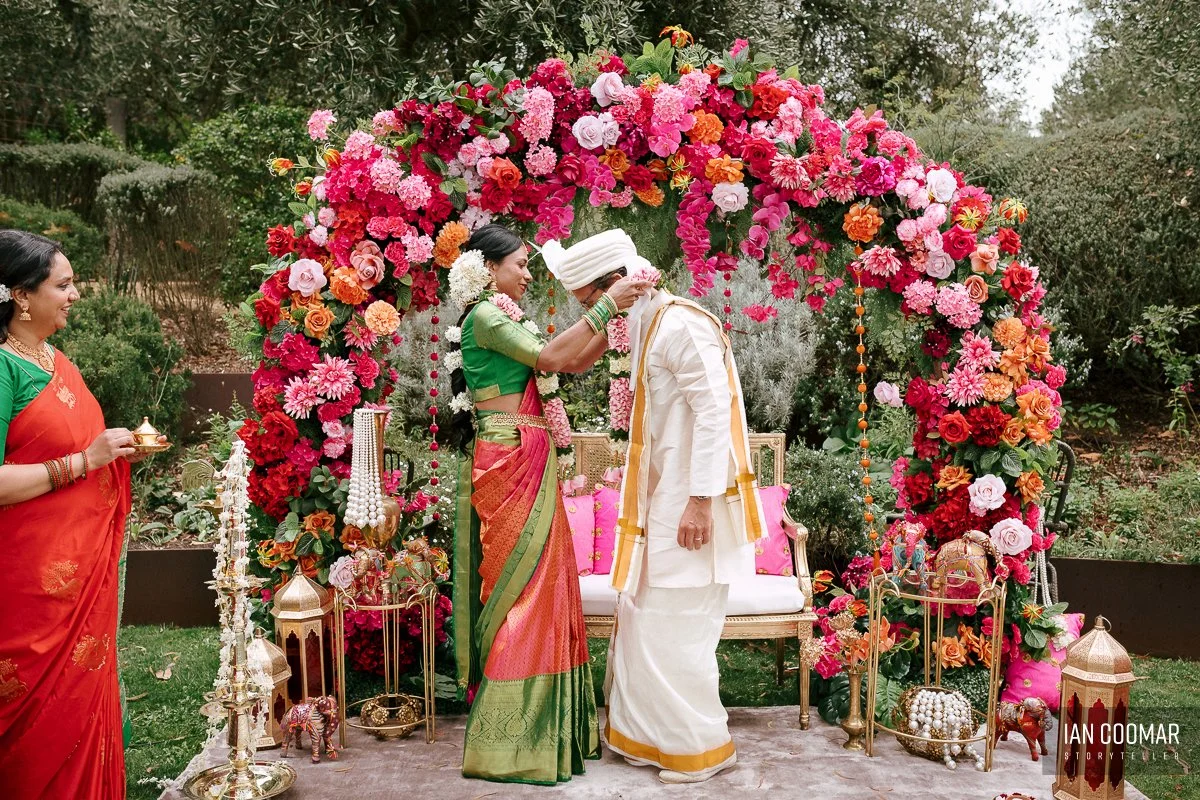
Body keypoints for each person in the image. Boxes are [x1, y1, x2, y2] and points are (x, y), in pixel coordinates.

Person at [544, 228, 769, 784]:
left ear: (616, 283)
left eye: (590, 302)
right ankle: (646, 740)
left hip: (689, 507)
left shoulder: (681, 324)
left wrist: (699, 502)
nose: (593, 315)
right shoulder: (648, 324)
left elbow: (715, 414)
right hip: (658, 507)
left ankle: (698, 750)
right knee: (645, 623)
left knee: (679, 630)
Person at [449, 224, 650, 785]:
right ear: (489, 269)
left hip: (531, 452)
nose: (528, 272)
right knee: (525, 585)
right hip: (508, 455)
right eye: (519, 264)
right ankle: (511, 738)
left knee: (549, 579)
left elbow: (574, 361)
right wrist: (607, 301)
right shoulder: (488, 317)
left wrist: (617, 319)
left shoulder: (507, 314)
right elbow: (550, 357)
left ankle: (547, 731)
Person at [0, 230, 163, 799]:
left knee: (79, 703)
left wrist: (110, 450)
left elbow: (70, 445)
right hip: (27, 590)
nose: (74, 296)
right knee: (33, 726)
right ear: (22, 296)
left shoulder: (53, 359)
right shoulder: (3, 371)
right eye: (62, 285)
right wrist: (80, 462)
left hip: (76, 577)